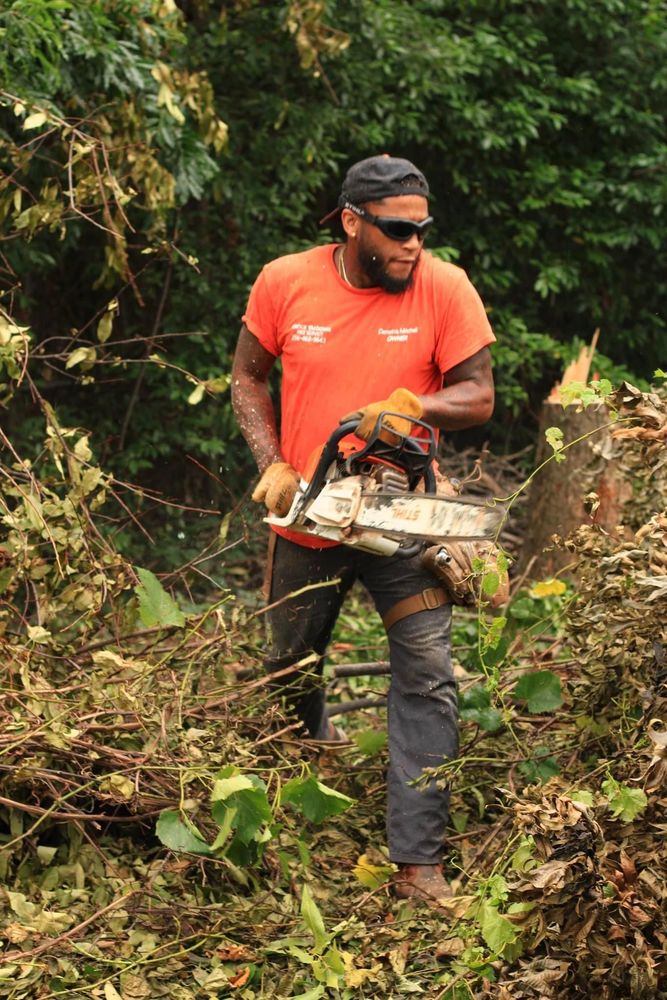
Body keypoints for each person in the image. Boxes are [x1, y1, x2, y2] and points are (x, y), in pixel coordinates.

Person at [231, 154, 495, 904]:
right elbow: (247, 375)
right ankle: (301, 781)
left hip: (402, 517)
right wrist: (273, 461)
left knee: (427, 677)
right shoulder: (285, 281)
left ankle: (418, 863)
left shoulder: (445, 287)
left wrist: (413, 404)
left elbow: (477, 395)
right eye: (397, 230)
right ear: (352, 222)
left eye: (422, 229)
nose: (414, 244)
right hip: (309, 517)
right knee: (290, 667)